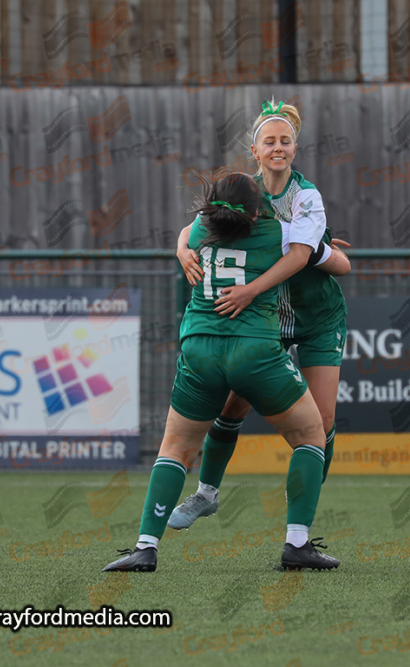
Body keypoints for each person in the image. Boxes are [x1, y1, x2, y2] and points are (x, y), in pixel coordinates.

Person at [102, 171, 339, 572]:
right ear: (255, 210)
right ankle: (296, 543)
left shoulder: (197, 233)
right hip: (255, 352)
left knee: (175, 447)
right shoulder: (277, 233)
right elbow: (321, 258)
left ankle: (145, 546)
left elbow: (187, 229)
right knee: (311, 435)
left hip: (201, 349)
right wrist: (326, 249)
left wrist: (179, 245)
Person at [168, 99, 350, 548]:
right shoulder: (241, 189)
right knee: (230, 410)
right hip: (261, 319)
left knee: (321, 424)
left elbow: (302, 258)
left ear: (295, 147)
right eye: (270, 141)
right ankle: (205, 494)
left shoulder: (307, 196)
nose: (278, 148)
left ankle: (299, 525)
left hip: (314, 317)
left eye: (285, 141)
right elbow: (193, 227)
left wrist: (252, 287)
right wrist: (181, 250)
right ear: (255, 149)